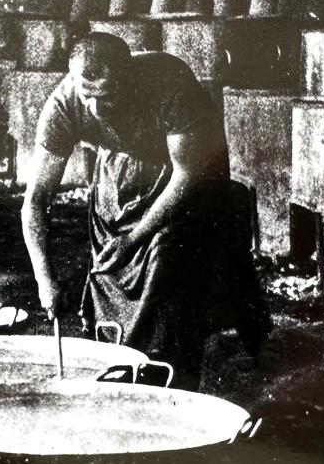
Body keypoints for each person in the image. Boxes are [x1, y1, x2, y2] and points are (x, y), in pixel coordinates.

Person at [21, 33, 268, 388]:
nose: (94, 110)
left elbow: (187, 173)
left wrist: (135, 238)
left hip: (186, 172)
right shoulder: (64, 103)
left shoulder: (169, 85)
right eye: (86, 96)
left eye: (106, 98)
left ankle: (166, 377)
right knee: (108, 268)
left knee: (167, 262)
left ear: (128, 79)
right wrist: (44, 280)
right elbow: (35, 200)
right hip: (121, 173)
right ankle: (120, 367)